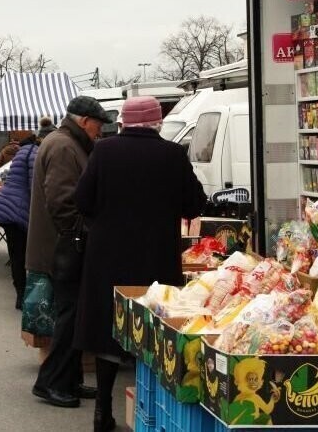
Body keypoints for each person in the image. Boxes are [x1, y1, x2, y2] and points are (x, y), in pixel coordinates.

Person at [73, 96, 207, 430]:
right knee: (154, 328)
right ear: (156, 122)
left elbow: (82, 200)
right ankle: (154, 407)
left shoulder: (103, 151)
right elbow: (194, 204)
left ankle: (102, 411)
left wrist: (104, 221)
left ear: (124, 122)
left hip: (108, 256)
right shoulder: (173, 155)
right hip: (156, 257)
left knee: (109, 329)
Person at [28, 95, 110, 408]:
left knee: (74, 315)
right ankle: (50, 382)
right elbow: (62, 202)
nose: (100, 130)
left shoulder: (65, 142)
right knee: (70, 316)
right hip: (62, 245)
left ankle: (69, 379)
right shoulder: (63, 146)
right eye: (98, 124)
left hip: (62, 242)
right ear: (84, 121)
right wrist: (82, 233)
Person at [0, 131, 50, 309]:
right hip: (19, 210)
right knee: (24, 256)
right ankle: (24, 296)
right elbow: (34, 186)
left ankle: (20, 294)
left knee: (16, 255)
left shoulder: (23, 152)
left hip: (9, 208)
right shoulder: (34, 154)